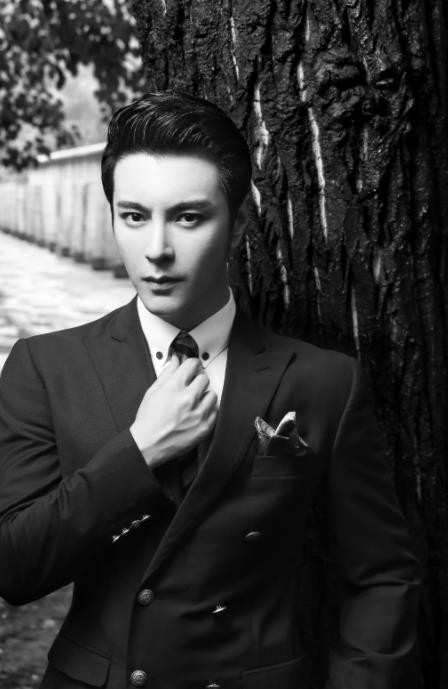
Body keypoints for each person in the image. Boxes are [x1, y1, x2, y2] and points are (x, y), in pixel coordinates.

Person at [0, 92, 419, 689]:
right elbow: (14, 569)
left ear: (239, 223)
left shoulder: (323, 381)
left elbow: (381, 575)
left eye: (188, 217)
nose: (157, 249)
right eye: (134, 216)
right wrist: (139, 453)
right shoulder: (46, 366)